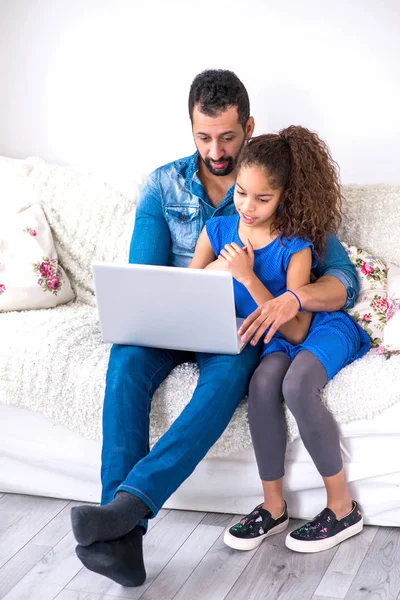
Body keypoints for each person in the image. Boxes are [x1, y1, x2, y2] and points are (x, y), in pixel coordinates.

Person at [70, 70, 360, 587]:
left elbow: (342, 278)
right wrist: (197, 282)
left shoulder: (276, 187)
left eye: (228, 137)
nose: (217, 150)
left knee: (233, 371)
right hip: (174, 315)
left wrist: (289, 296)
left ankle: (125, 511)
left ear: (248, 127)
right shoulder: (163, 184)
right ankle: (122, 532)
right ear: (190, 130)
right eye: (204, 137)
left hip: (236, 326)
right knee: (125, 363)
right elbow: (148, 278)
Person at [189, 126, 370, 554]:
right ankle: (273, 507)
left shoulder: (296, 243)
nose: (247, 208)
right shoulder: (217, 232)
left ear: (285, 196)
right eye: (240, 193)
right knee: (262, 385)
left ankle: (343, 508)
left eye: (262, 198)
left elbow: (297, 328)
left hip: (320, 327)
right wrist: (221, 271)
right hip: (272, 338)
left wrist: (248, 277)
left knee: (295, 384)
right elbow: (188, 290)